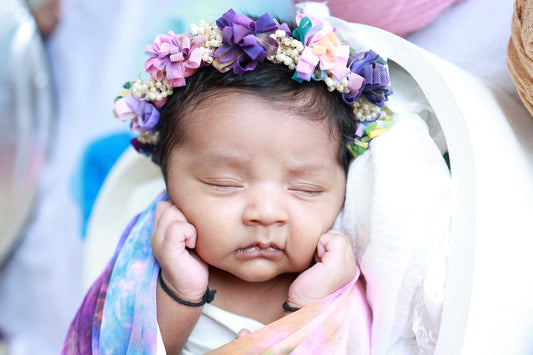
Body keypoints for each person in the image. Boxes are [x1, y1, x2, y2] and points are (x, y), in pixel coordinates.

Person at [62, 8, 392, 354]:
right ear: (168, 185)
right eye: (223, 183)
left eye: (304, 189)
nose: (265, 214)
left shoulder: (335, 280)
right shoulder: (146, 274)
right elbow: (121, 347)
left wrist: (309, 306)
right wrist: (181, 290)